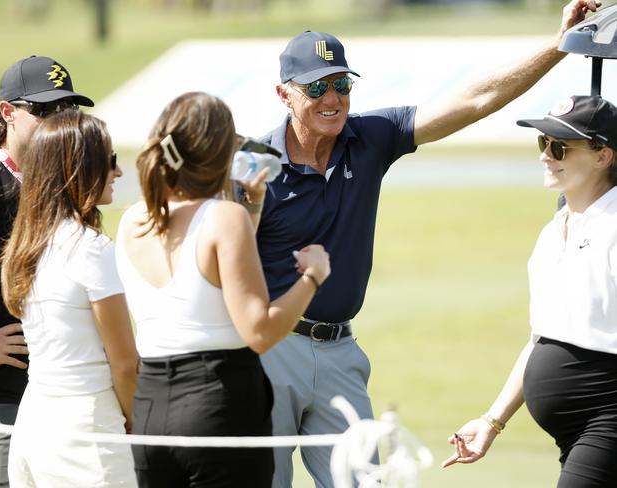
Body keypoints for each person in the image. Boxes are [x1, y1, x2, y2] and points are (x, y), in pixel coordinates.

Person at [251, 1, 602, 486]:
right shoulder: (254, 166)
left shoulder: (371, 137)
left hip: (340, 354)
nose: (332, 98)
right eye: (316, 87)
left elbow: (475, 100)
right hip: (271, 354)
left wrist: (558, 44)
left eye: (341, 84)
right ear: (284, 95)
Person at [115, 91, 330, 488]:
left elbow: (210, 273)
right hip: (220, 402)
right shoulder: (223, 218)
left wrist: (253, 206)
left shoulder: (133, 219)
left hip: (151, 407)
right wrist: (313, 277)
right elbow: (260, 332)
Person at [442, 94, 617, 487]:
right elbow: (542, 338)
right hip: (574, 433)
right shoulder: (553, 230)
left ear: (603, 156)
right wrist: (492, 421)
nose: (545, 156)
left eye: (559, 147)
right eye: (543, 143)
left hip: (607, 417)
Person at [0, 55, 93, 487]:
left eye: (67, 110)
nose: (58, 121)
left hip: (59, 402)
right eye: (43, 111)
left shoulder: (63, 187)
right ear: (8, 114)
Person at [0, 109, 138, 487]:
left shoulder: (25, 244)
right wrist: (134, 424)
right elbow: (124, 363)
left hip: (34, 423)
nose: (119, 172)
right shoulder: (91, 249)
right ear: (81, 167)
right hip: (87, 430)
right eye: (109, 161)